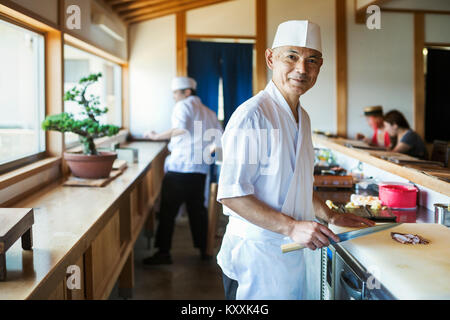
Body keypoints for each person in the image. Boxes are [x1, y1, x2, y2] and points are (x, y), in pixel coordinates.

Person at [216, 20, 375, 300]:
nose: (302, 69)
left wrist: (331, 214)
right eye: (291, 56)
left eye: (311, 60)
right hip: (256, 255)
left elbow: (298, 183)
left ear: (320, 66)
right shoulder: (252, 116)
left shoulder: (303, 117)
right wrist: (291, 226)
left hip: (290, 252)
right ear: (270, 58)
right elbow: (231, 195)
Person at [143, 76, 223, 265]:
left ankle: (163, 253)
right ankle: (204, 250)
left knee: (167, 211)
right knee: (198, 211)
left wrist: (156, 137)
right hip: (199, 169)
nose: (174, 97)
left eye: (176, 93)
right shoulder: (209, 113)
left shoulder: (183, 106)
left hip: (180, 168)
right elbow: (219, 140)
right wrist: (203, 152)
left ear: (187, 92)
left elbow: (179, 129)